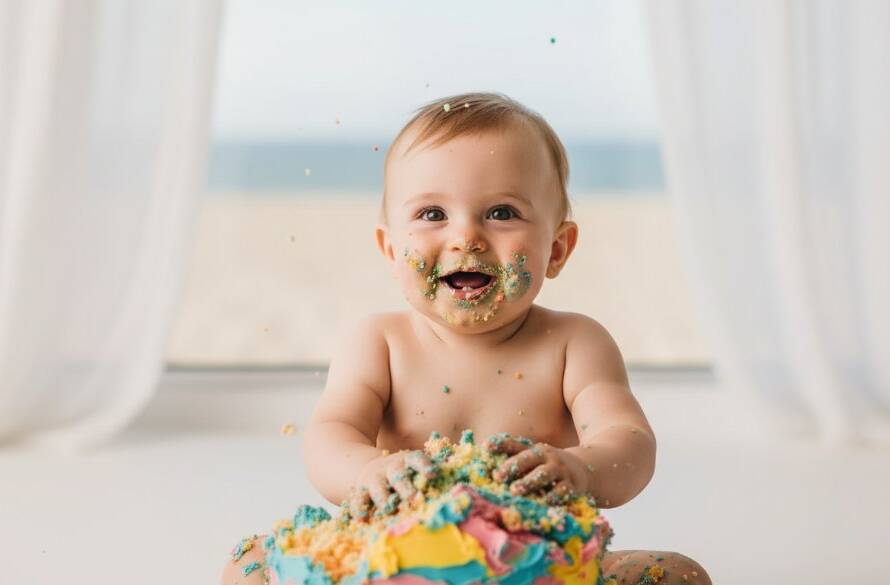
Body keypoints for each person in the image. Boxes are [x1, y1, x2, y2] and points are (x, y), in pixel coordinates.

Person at [222, 93, 711, 585]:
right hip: (392, 560)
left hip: (535, 565)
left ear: (557, 248)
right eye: (433, 214)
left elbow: (630, 444)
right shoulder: (379, 342)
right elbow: (329, 437)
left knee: (677, 575)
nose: (466, 237)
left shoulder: (574, 344)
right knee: (250, 564)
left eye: (501, 213)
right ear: (391, 250)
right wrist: (368, 471)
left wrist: (578, 470)